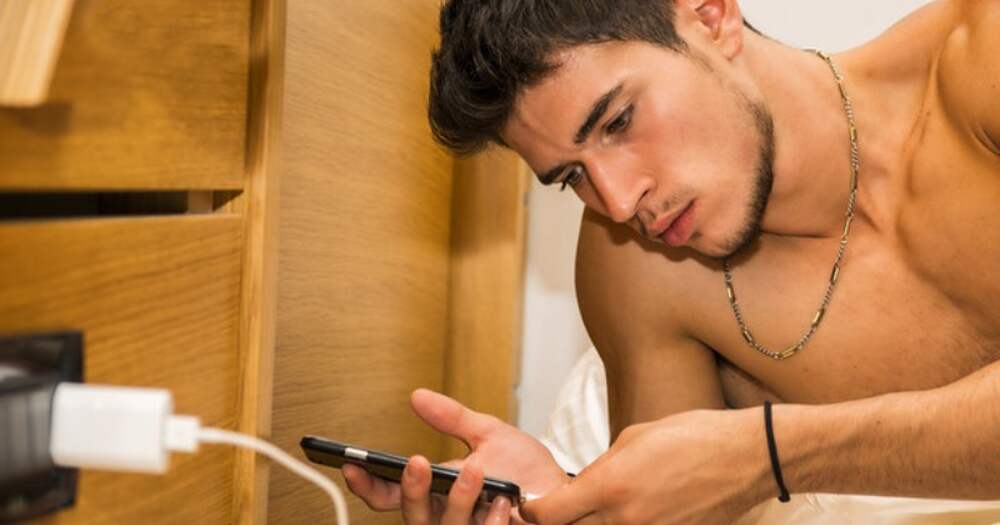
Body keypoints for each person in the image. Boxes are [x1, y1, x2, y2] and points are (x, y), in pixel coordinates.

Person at [343, 0, 1000, 523]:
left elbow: (747, 463)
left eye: (618, 121)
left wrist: (770, 453)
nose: (619, 201)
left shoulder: (980, 61)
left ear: (710, 16)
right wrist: (565, 505)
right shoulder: (637, 267)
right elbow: (679, 504)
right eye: (572, 176)